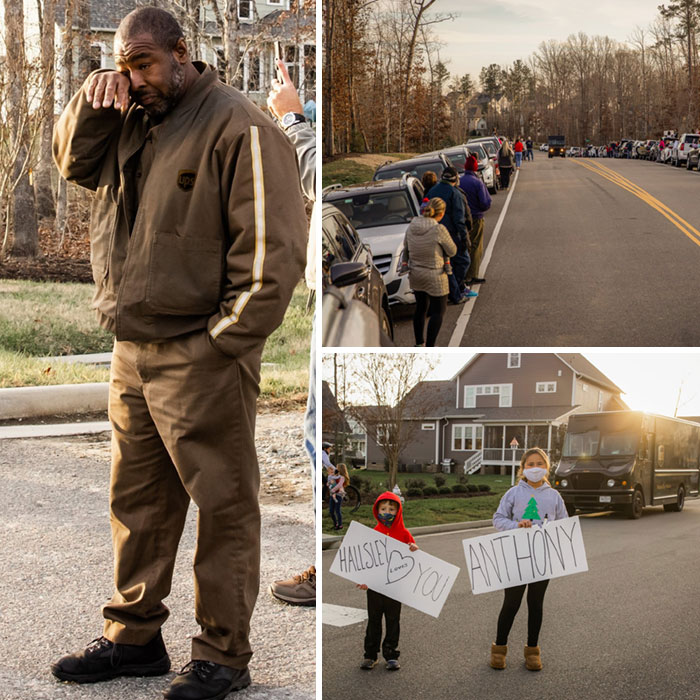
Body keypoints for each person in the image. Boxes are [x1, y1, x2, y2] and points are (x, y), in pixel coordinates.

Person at [50, 8, 307, 700]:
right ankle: (133, 639)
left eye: (142, 64)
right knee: (137, 503)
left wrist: (217, 347)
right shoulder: (129, 115)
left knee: (222, 506)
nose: (132, 78)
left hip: (202, 354)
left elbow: (272, 263)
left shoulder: (241, 126)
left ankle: (223, 655)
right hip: (130, 347)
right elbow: (72, 163)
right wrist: (94, 100)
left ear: (180, 52)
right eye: (121, 65)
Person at [266, 58, 317, 606]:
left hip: (333, 307)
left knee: (314, 435)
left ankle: (326, 568)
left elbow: (317, 176)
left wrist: (293, 119)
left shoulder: (304, 121)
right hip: (319, 298)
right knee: (314, 436)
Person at [489, 448, 568, 673]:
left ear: (547, 468)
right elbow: (498, 519)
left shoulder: (554, 496)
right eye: (530, 464)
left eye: (540, 464)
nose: (535, 468)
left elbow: (564, 524)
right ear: (523, 468)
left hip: (542, 559)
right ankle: (499, 649)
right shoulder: (513, 493)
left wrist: (552, 529)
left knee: (535, 604)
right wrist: (516, 525)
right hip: (516, 557)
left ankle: (532, 651)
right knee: (511, 604)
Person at [358, 492, 419, 671]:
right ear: (377, 510)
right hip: (375, 587)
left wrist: (414, 548)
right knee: (373, 620)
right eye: (383, 509)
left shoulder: (404, 533)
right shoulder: (373, 533)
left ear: (398, 511)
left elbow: (414, 556)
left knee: (393, 621)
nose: (387, 512)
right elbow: (366, 560)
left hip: (395, 587)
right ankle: (370, 655)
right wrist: (364, 580)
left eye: (391, 509)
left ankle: (391, 654)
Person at [400, 196, 456, 346]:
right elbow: (452, 250)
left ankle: (419, 342)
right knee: (438, 311)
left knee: (420, 308)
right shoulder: (439, 229)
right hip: (435, 274)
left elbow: (406, 246)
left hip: (416, 274)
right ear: (441, 213)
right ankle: (430, 345)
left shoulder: (412, 225)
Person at [426, 167, 473, 305]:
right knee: (463, 261)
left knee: (447, 263)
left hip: (433, 232)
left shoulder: (432, 190)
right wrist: (464, 238)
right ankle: (455, 290)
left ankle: (453, 290)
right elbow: (459, 219)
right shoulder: (455, 193)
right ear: (455, 178)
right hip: (450, 234)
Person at [459, 155, 492, 287]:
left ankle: (464, 273)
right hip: (476, 218)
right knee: (475, 246)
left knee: (465, 245)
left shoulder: (460, 181)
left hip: (462, 218)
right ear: (475, 167)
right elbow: (485, 202)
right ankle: (472, 274)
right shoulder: (477, 182)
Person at [326, 463, 345, 530]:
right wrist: (329, 483)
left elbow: (339, 485)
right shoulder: (330, 477)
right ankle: (335, 523)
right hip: (332, 495)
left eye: (333, 471)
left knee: (337, 510)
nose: (332, 472)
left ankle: (340, 525)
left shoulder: (342, 477)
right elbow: (328, 484)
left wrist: (333, 490)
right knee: (331, 511)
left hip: (338, 495)